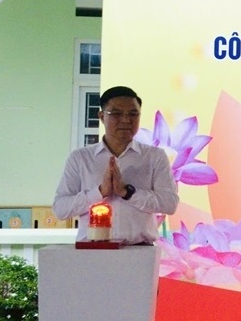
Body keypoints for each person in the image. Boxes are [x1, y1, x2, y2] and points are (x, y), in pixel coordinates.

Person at [53, 85, 179, 244]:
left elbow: (169, 204)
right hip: (92, 251)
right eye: (117, 114)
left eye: (133, 114)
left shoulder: (154, 157)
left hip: (139, 252)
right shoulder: (80, 158)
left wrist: (128, 192)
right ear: (101, 116)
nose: (126, 120)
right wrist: (99, 192)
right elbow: (61, 209)